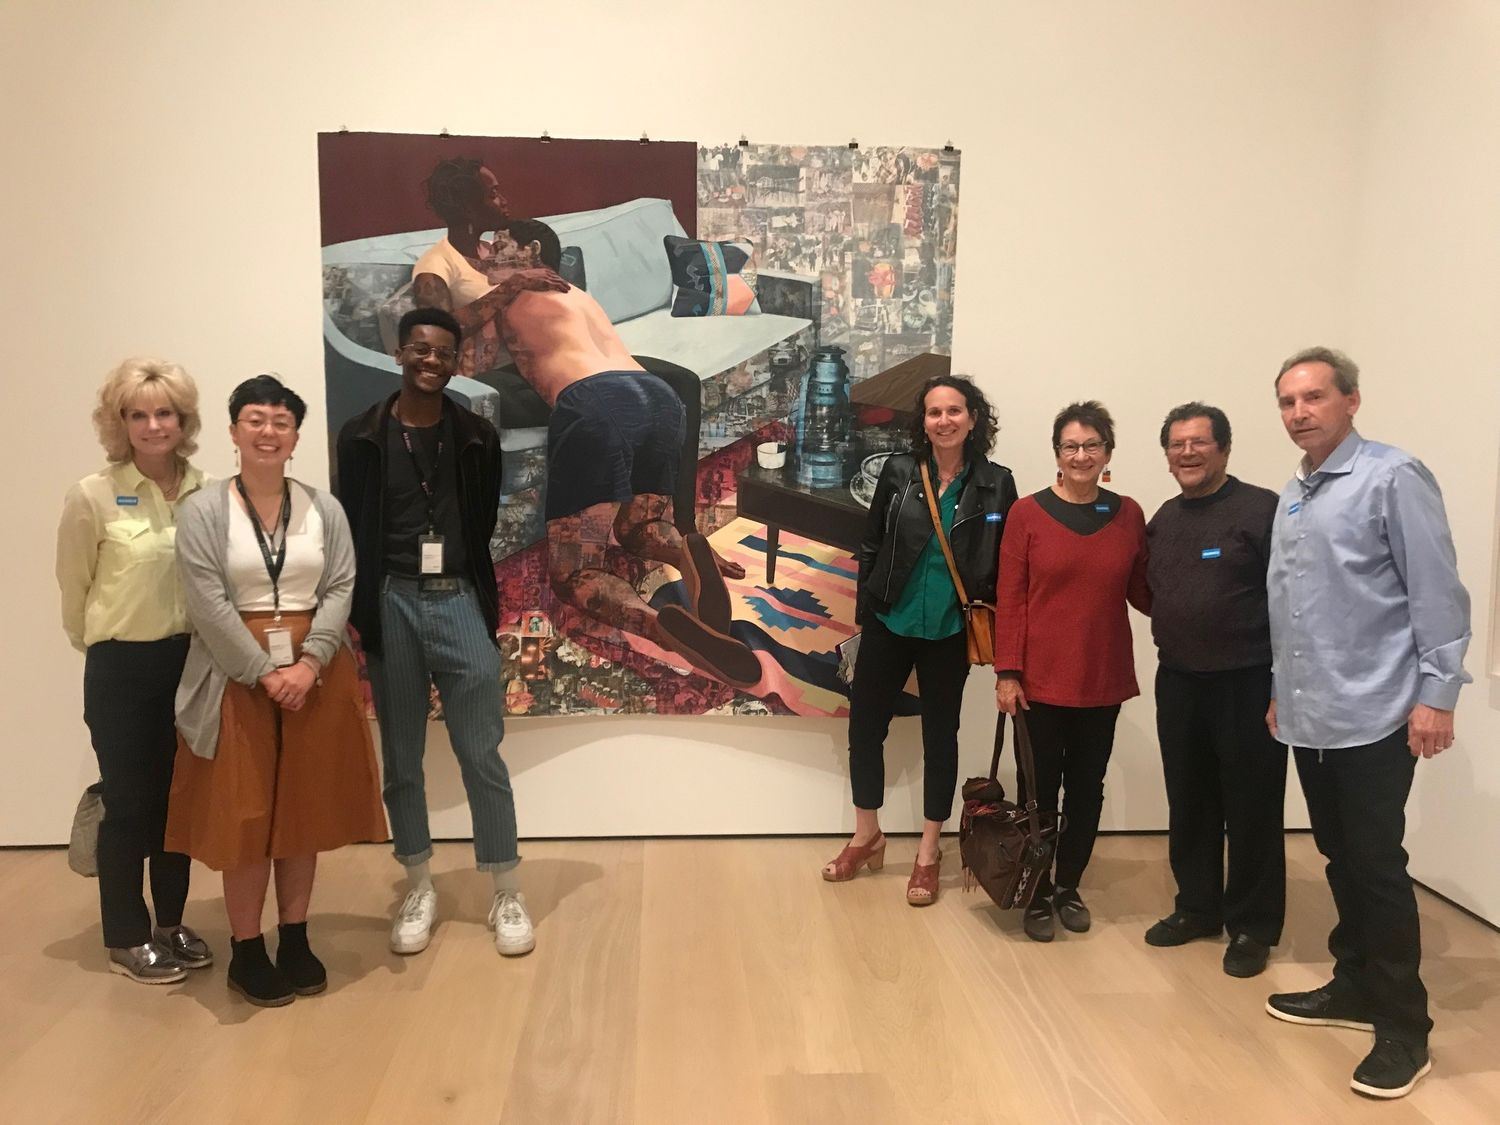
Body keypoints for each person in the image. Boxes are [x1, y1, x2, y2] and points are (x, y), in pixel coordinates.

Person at [1263, 347, 1470, 1099]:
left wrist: (1438, 693)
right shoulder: (1296, 494)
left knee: (1376, 866)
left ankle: (1404, 1027)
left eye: (1314, 396)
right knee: (1339, 855)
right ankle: (1353, 985)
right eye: (1287, 401)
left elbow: (1437, 591)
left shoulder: (1392, 476)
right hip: (1312, 716)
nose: (1299, 411)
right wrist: (1286, 690)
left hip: (1380, 712)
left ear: (1351, 400)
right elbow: (1294, 607)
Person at [166, 376, 388, 1007]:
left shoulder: (325, 508)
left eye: (281, 422)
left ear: (296, 437)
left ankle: (295, 936)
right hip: (233, 677)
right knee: (245, 817)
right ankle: (245, 949)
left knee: (303, 812)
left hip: (314, 675)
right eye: (255, 420)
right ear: (234, 432)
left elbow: (340, 586)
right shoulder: (205, 510)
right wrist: (262, 671)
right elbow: (207, 602)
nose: (268, 432)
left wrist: (309, 663)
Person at [336, 307, 535, 959]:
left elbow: (478, 528)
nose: (431, 360)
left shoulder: (477, 436)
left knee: (482, 749)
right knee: (401, 760)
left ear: (457, 362)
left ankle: (506, 888)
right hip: (392, 597)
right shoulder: (360, 436)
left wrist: (478, 598)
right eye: (420, 348)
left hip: (455, 597)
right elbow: (356, 528)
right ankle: (418, 884)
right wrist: (362, 612)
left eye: (444, 352)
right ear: (400, 353)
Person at [487, 218, 756, 690]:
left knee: (576, 572)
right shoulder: (577, 293)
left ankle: (660, 626)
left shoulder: (509, 294)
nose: (488, 251)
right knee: (639, 528)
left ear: (531, 252)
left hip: (594, 404)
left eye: (499, 244)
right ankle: (686, 555)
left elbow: (468, 365)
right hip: (656, 395)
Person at [822, 375, 1017, 905]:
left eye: (955, 410)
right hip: (891, 620)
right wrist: (867, 613)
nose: (945, 421)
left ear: (974, 418)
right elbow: (871, 544)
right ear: (923, 422)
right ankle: (867, 835)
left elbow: (1003, 558)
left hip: (950, 630)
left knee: (940, 738)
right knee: (865, 730)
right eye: (934, 412)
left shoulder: (997, 483)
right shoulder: (899, 472)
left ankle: (929, 851)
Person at [55, 358, 212, 985]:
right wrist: (99, 644)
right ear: (119, 422)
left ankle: (171, 923)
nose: (153, 424)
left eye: (164, 412)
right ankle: (126, 933)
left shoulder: (208, 490)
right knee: (129, 802)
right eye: (138, 414)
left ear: (182, 420)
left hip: (192, 665)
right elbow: (74, 587)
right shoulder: (93, 494)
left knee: (180, 801)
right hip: (121, 666)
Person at [994, 401, 1150, 942]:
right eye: (1070, 446)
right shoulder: (1027, 515)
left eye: (1092, 446)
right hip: (1037, 682)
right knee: (1038, 790)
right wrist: (1007, 672)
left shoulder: (1128, 514)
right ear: (1057, 453)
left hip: (1101, 678)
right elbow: (1009, 598)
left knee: (1088, 788)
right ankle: (1035, 890)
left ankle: (1068, 886)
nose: (1081, 455)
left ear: (1107, 452)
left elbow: (1144, 590)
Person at [1143, 403, 1285, 977]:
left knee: (1251, 806)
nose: (1188, 453)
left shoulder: (1261, 510)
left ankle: (1252, 925)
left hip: (1247, 681)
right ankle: (1197, 906)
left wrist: (1285, 686)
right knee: (1190, 799)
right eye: (1177, 444)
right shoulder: (1164, 518)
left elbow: (1290, 601)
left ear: (1224, 448)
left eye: (1200, 442)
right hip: (1178, 680)